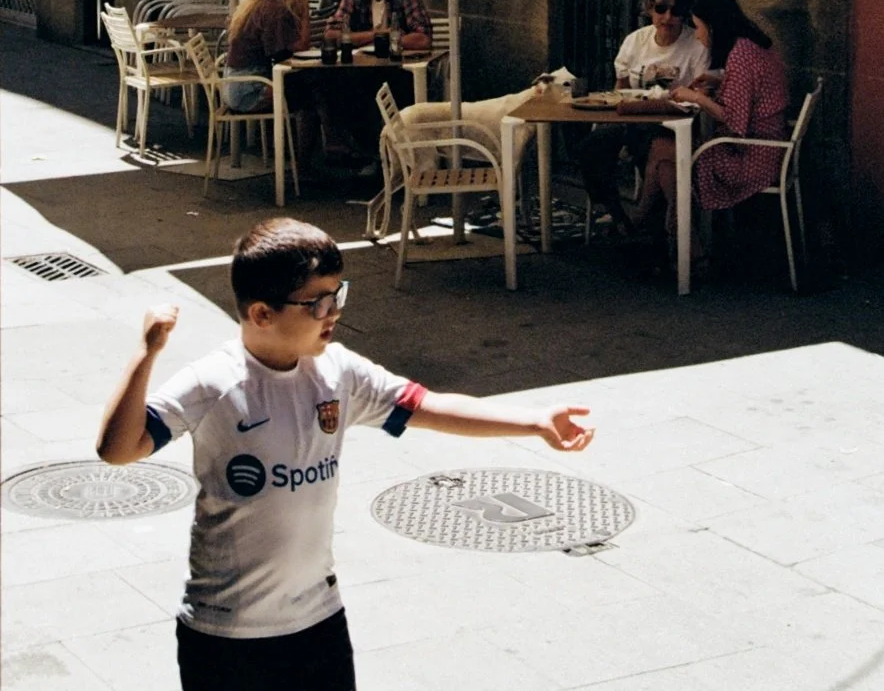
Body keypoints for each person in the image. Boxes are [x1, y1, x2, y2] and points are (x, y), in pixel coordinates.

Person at [96, 218, 594, 691]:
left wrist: (532, 420)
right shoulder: (214, 382)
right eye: (317, 303)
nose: (333, 312)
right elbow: (118, 450)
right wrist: (146, 354)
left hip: (317, 622)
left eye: (339, 295)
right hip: (227, 634)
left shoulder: (338, 372)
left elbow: (427, 405)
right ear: (262, 314)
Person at [635, 0, 788, 252]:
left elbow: (734, 121)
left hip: (750, 156)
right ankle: (668, 232)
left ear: (715, 27)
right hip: (769, 147)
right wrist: (718, 81)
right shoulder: (752, 46)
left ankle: (676, 237)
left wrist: (695, 98)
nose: (697, 34)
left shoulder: (741, 55)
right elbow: (749, 92)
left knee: (665, 154)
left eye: (699, 27)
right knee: (664, 151)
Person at [577, 0, 710, 233]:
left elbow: (701, 94)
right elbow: (621, 87)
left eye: (676, 11)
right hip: (633, 118)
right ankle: (616, 212)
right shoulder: (636, 41)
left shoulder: (695, 45)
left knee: (650, 150)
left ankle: (650, 227)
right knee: (589, 149)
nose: (667, 17)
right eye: (660, 9)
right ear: (649, 8)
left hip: (673, 124)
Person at [322, 0, 433, 165]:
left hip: (399, 70)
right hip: (363, 70)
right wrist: (376, 35)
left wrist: (389, 39)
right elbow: (331, 34)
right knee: (333, 87)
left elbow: (422, 38)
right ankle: (368, 153)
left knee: (388, 91)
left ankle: (387, 157)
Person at [223, 0, 311, 113]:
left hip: (233, 85)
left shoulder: (254, 5)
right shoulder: (275, 11)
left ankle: (291, 136)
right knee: (314, 95)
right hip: (251, 90)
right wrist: (305, 13)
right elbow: (296, 50)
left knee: (307, 92)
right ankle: (299, 138)